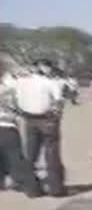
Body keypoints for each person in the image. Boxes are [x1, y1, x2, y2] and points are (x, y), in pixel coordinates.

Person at [13, 59, 65, 197]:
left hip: (29, 119)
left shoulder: (21, 83)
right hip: (47, 118)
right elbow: (58, 102)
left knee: (30, 154)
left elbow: (17, 101)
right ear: (43, 68)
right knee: (52, 153)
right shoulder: (50, 83)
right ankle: (56, 188)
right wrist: (56, 117)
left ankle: (32, 189)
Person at [0, 68, 41, 197]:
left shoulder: (9, 87)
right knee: (16, 158)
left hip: (7, 125)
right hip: (8, 127)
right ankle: (32, 188)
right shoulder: (11, 88)